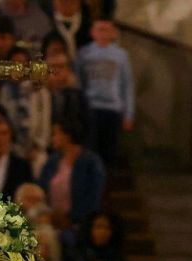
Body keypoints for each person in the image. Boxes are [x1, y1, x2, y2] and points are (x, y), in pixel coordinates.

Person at [75, 20, 132, 164]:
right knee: (90, 149)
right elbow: (78, 81)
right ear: (92, 32)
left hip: (113, 109)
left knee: (109, 152)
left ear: (113, 33)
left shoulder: (121, 55)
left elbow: (127, 85)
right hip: (91, 107)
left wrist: (128, 114)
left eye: (107, 30)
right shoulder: (84, 53)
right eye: (100, 30)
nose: (103, 33)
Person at [37, 118, 105, 229]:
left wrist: (72, 218)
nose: (52, 138)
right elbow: (41, 188)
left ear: (67, 136)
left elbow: (94, 196)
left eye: (55, 134)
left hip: (79, 224)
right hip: (52, 222)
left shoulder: (91, 162)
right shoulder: (53, 160)